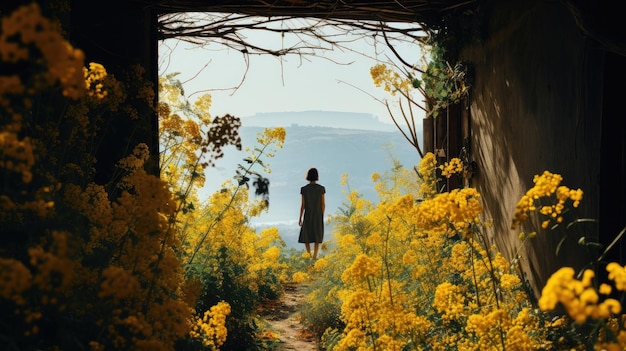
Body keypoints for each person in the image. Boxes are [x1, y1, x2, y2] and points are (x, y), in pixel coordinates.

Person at [298, 167, 325, 260]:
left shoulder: (304, 189)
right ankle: (315, 256)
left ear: (308, 176)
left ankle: (308, 254)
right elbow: (323, 204)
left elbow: (303, 205)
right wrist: (321, 215)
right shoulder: (321, 188)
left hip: (308, 214)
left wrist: (300, 218)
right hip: (318, 215)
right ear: (317, 176)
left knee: (306, 235)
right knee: (317, 235)